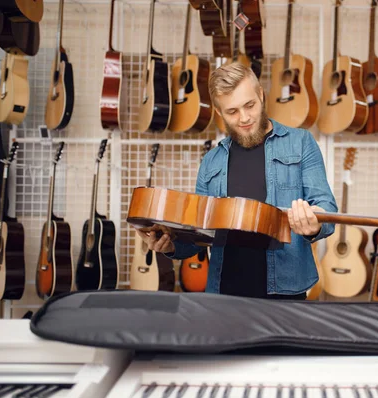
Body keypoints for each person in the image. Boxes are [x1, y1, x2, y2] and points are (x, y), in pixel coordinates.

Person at [135, 62, 338, 299]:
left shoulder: (301, 142)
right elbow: (199, 235)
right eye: (232, 111)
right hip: (224, 293)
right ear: (219, 113)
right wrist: (170, 246)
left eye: (249, 105)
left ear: (261, 95)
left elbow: (327, 210)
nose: (244, 118)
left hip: (285, 293)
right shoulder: (211, 161)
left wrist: (314, 224)